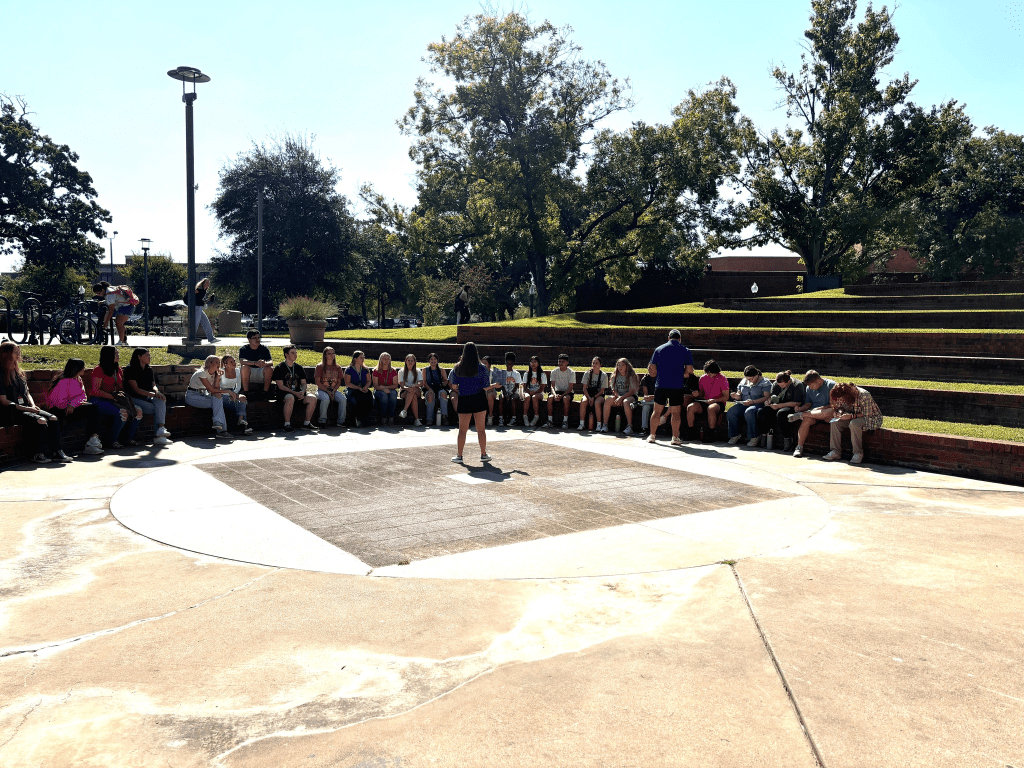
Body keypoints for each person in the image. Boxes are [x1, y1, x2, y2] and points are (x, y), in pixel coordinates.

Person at [0, 342, 66, 463]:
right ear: (6, 354)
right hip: (12, 411)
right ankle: (36, 453)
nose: (19, 354)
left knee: (52, 418)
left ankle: (57, 451)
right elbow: (4, 401)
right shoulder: (1, 374)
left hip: (26, 408)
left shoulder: (19, 373)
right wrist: (28, 409)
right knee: (40, 420)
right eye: (15, 352)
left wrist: (32, 404)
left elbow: (27, 392)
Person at [646, 329, 695, 446]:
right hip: (676, 386)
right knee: (676, 412)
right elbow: (689, 370)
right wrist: (683, 374)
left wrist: (658, 374)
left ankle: (652, 436)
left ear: (668, 338)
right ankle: (675, 437)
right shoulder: (685, 350)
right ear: (680, 338)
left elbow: (651, 368)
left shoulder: (659, 349)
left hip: (661, 384)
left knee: (657, 411)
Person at [47, 358, 104, 456]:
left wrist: (72, 405)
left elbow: (83, 396)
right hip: (59, 410)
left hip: (71, 408)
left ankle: (93, 439)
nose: (84, 369)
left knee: (93, 408)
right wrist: (69, 406)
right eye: (83, 367)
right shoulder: (63, 381)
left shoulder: (78, 379)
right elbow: (56, 400)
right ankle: (55, 451)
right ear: (76, 369)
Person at [89, 345, 142, 448]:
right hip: (98, 400)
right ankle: (113, 440)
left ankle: (128, 438)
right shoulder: (98, 369)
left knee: (138, 411)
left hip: (114, 399)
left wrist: (120, 396)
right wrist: (112, 397)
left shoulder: (117, 369)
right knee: (123, 413)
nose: (118, 355)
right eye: (116, 353)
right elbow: (96, 390)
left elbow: (120, 388)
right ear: (108, 355)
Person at [448, 341, 491, 463]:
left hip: (464, 399)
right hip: (479, 398)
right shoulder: (482, 368)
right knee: (481, 429)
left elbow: (454, 386)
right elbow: (485, 386)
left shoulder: (457, 367)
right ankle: (483, 454)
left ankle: (459, 455)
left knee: (462, 430)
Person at [825, 383, 883, 464]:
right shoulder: (843, 394)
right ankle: (835, 452)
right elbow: (841, 407)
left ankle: (858, 453)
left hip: (871, 418)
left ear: (847, 395)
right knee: (835, 423)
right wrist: (839, 413)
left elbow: (867, 414)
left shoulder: (864, 395)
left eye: (842, 399)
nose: (841, 400)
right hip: (852, 416)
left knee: (854, 423)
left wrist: (852, 416)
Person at [124, 348, 173, 445]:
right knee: (156, 409)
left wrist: (157, 392)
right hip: (133, 398)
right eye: (147, 355)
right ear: (139, 357)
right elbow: (136, 390)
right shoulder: (130, 369)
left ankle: (161, 429)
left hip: (146, 398)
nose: (149, 357)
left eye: (149, 355)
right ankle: (158, 435)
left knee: (160, 401)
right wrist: (154, 394)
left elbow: (153, 385)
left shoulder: (149, 369)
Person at [788, 370, 837, 458]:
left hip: (827, 412)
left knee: (829, 412)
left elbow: (835, 405)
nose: (809, 388)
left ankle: (802, 415)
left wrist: (821, 408)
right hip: (813, 413)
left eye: (811, 385)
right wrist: (800, 409)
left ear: (818, 381)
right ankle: (799, 447)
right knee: (807, 420)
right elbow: (808, 404)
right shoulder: (809, 388)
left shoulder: (831, 385)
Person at [756, 371, 806, 451]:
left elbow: (797, 402)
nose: (780, 387)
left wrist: (779, 406)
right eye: (779, 385)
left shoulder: (797, 385)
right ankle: (764, 435)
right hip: (777, 405)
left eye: (782, 385)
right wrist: (769, 402)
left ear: (788, 381)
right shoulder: (776, 384)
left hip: (790, 407)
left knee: (781, 414)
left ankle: (787, 439)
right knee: (762, 412)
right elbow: (772, 396)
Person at [272, 345, 317, 432]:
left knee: (312, 398)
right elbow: (281, 386)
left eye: (296, 352)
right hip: (284, 394)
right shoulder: (279, 368)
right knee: (290, 397)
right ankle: (287, 424)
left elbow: (304, 383)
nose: (295, 355)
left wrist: (303, 391)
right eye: (292, 353)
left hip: (298, 393)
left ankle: (307, 423)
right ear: (286, 354)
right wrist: (295, 393)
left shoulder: (299, 368)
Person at [185, 355, 231, 438]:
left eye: (219, 362)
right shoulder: (202, 373)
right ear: (209, 363)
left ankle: (219, 426)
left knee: (217, 398)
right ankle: (221, 430)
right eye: (216, 362)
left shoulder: (215, 374)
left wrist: (217, 378)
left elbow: (216, 389)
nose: (219, 364)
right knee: (217, 401)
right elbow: (212, 390)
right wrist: (229, 392)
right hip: (192, 396)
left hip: (203, 395)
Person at [726, 365, 773, 447]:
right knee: (731, 412)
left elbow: (766, 397)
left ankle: (754, 436)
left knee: (749, 412)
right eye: (748, 379)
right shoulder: (744, 381)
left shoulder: (765, 382)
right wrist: (736, 396)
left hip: (757, 404)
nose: (750, 381)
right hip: (744, 403)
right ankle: (735, 434)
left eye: (752, 379)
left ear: (756, 375)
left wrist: (753, 401)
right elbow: (739, 394)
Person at [687, 360, 730, 438]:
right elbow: (701, 393)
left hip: (718, 402)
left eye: (710, 372)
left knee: (711, 408)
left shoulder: (722, 379)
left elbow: (726, 397)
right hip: (705, 401)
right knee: (691, 407)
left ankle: (711, 433)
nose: (708, 374)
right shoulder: (703, 378)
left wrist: (715, 400)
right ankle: (691, 431)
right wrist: (697, 393)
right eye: (707, 372)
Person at [217, 354, 253, 435]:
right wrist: (230, 395)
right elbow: (218, 388)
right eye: (231, 362)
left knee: (243, 398)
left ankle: (241, 421)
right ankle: (243, 426)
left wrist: (235, 394)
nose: (234, 363)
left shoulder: (237, 371)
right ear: (225, 364)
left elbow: (238, 386)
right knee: (240, 404)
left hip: (234, 392)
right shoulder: (221, 372)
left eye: (234, 361)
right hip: (223, 394)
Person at [91, 281, 134, 346]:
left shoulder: (109, 294)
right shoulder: (110, 289)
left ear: (102, 290)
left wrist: (106, 322)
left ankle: (121, 342)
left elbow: (111, 310)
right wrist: (104, 302)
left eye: (99, 293)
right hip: (127, 306)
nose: (98, 295)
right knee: (120, 324)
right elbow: (116, 298)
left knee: (118, 323)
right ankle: (124, 341)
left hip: (126, 307)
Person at [603, 358, 639, 434]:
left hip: (631, 396)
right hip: (619, 396)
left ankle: (630, 426)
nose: (620, 367)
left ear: (627, 366)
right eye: (618, 365)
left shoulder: (631, 375)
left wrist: (621, 398)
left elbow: (632, 391)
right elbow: (614, 390)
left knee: (626, 402)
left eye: (622, 365)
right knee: (608, 400)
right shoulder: (615, 375)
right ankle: (605, 424)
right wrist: (619, 397)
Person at [314, 347, 348, 428]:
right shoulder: (320, 367)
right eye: (329, 353)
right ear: (325, 355)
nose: (332, 355)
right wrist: (327, 391)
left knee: (343, 399)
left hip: (334, 390)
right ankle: (322, 421)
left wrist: (333, 391)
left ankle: (341, 421)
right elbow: (318, 382)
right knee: (325, 399)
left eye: (333, 353)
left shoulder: (338, 367)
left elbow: (339, 382)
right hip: (322, 390)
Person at [239, 330, 274, 399]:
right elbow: (242, 361)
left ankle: (265, 393)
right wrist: (255, 363)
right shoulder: (244, 349)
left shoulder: (264, 348)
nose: (257, 340)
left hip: (261, 372)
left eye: (258, 338)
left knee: (269, 368)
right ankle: (246, 392)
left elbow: (271, 362)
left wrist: (264, 363)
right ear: (249, 340)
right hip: (249, 373)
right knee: (244, 367)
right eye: (254, 338)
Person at [545, 353, 575, 429]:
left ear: (567, 363)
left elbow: (570, 388)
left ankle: (565, 421)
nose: (560, 363)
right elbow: (552, 386)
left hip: (567, 392)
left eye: (563, 362)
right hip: (557, 391)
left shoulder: (571, 372)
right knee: (550, 398)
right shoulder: (554, 371)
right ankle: (550, 420)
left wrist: (562, 396)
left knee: (565, 399)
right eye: (559, 361)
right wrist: (555, 394)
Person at [578, 357, 608, 432]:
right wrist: (589, 397)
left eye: (596, 363)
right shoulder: (587, 373)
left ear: (600, 365)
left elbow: (602, 391)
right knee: (583, 401)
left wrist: (594, 398)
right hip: (589, 393)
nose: (594, 365)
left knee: (597, 403)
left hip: (598, 395)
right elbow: (584, 388)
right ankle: (581, 423)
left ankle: (599, 424)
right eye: (593, 363)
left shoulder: (604, 375)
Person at [423, 353, 453, 426]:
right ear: (429, 361)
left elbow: (446, 380)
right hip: (429, 388)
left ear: (437, 360)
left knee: (443, 394)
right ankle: (429, 418)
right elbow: (424, 382)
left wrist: (443, 384)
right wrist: (429, 389)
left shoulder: (441, 370)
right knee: (430, 395)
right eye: (431, 359)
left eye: (435, 359)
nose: (433, 361)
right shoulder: (425, 370)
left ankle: (444, 416)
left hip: (439, 388)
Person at [346, 351, 374, 427]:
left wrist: (366, 387)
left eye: (363, 357)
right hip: (353, 389)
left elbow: (369, 381)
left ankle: (365, 419)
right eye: (361, 357)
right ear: (355, 359)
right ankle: (357, 419)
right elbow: (348, 383)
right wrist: (358, 387)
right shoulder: (349, 369)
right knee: (356, 399)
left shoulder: (365, 369)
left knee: (368, 396)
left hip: (363, 389)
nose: (363, 359)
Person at [189, 278, 220, 344]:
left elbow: (201, 300)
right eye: (206, 282)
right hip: (196, 307)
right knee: (196, 323)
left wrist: (209, 299)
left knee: (206, 322)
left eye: (208, 283)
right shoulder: (199, 289)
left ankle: (211, 338)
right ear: (203, 283)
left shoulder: (204, 290)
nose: (208, 284)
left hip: (199, 307)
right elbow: (192, 294)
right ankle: (191, 337)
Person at [372, 352, 399, 426]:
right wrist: (383, 389)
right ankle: (383, 417)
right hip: (378, 391)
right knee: (384, 396)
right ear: (380, 359)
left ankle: (391, 417)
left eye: (388, 359)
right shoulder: (376, 371)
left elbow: (395, 385)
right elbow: (376, 386)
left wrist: (385, 388)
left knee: (393, 394)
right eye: (384, 358)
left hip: (390, 390)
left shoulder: (393, 371)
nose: (386, 360)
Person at [496, 352, 523, 426]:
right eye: (508, 363)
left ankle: (513, 419)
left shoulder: (516, 373)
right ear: (505, 363)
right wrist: (505, 394)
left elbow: (517, 385)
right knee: (501, 397)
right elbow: (501, 385)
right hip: (505, 392)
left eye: (511, 364)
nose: (509, 365)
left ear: (513, 364)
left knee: (513, 399)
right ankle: (501, 418)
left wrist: (510, 393)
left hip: (514, 392)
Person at [398, 353, 424, 426]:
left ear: (414, 361)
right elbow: (401, 384)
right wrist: (407, 388)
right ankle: (417, 419)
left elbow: (421, 383)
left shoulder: (418, 371)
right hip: (405, 391)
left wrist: (414, 385)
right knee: (413, 396)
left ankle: (404, 410)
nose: (410, 362)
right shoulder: (401, 371)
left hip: (416, 389)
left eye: (412, 360)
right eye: (408, 360)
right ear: (405, 361)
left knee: (413, 391)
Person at [522, 356, 547, 428]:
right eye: (531, 362)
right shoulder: (527, 374)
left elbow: (542, 388)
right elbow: (525, 386)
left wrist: (534, 393)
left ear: (538, 363)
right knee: (527, 397)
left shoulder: (542, 374)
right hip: (528, 391)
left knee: (534, 398)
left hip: (539, 393)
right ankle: (525, 416)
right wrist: (529, 392)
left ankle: (536, 416)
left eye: (535, 362)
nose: (533, 364)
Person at [638, 364, 657, 437]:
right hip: (649, 401)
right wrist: (646, 397)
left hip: (659, 399)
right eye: (649, 368)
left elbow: (662, 394)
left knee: (646, 404)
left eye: (652, 369)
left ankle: (638, 403)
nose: (650, 370)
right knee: (646, 406)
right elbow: (645, 394)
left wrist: (652, 397)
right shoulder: (645, 378)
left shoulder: (661, 378)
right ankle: (644, 428)